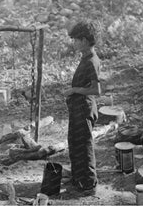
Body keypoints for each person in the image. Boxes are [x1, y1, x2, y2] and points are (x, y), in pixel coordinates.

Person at [63, 20, 101, 195]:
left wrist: (74, 90)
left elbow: (96, 89)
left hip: (84, 109)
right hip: (78, 108)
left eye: (76, 40)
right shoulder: (86, 58)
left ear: (85, 40)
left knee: (84, 146)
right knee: (75, 143)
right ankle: (78, 178)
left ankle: (88, 184)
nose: (74, 43)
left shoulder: (92, 61)